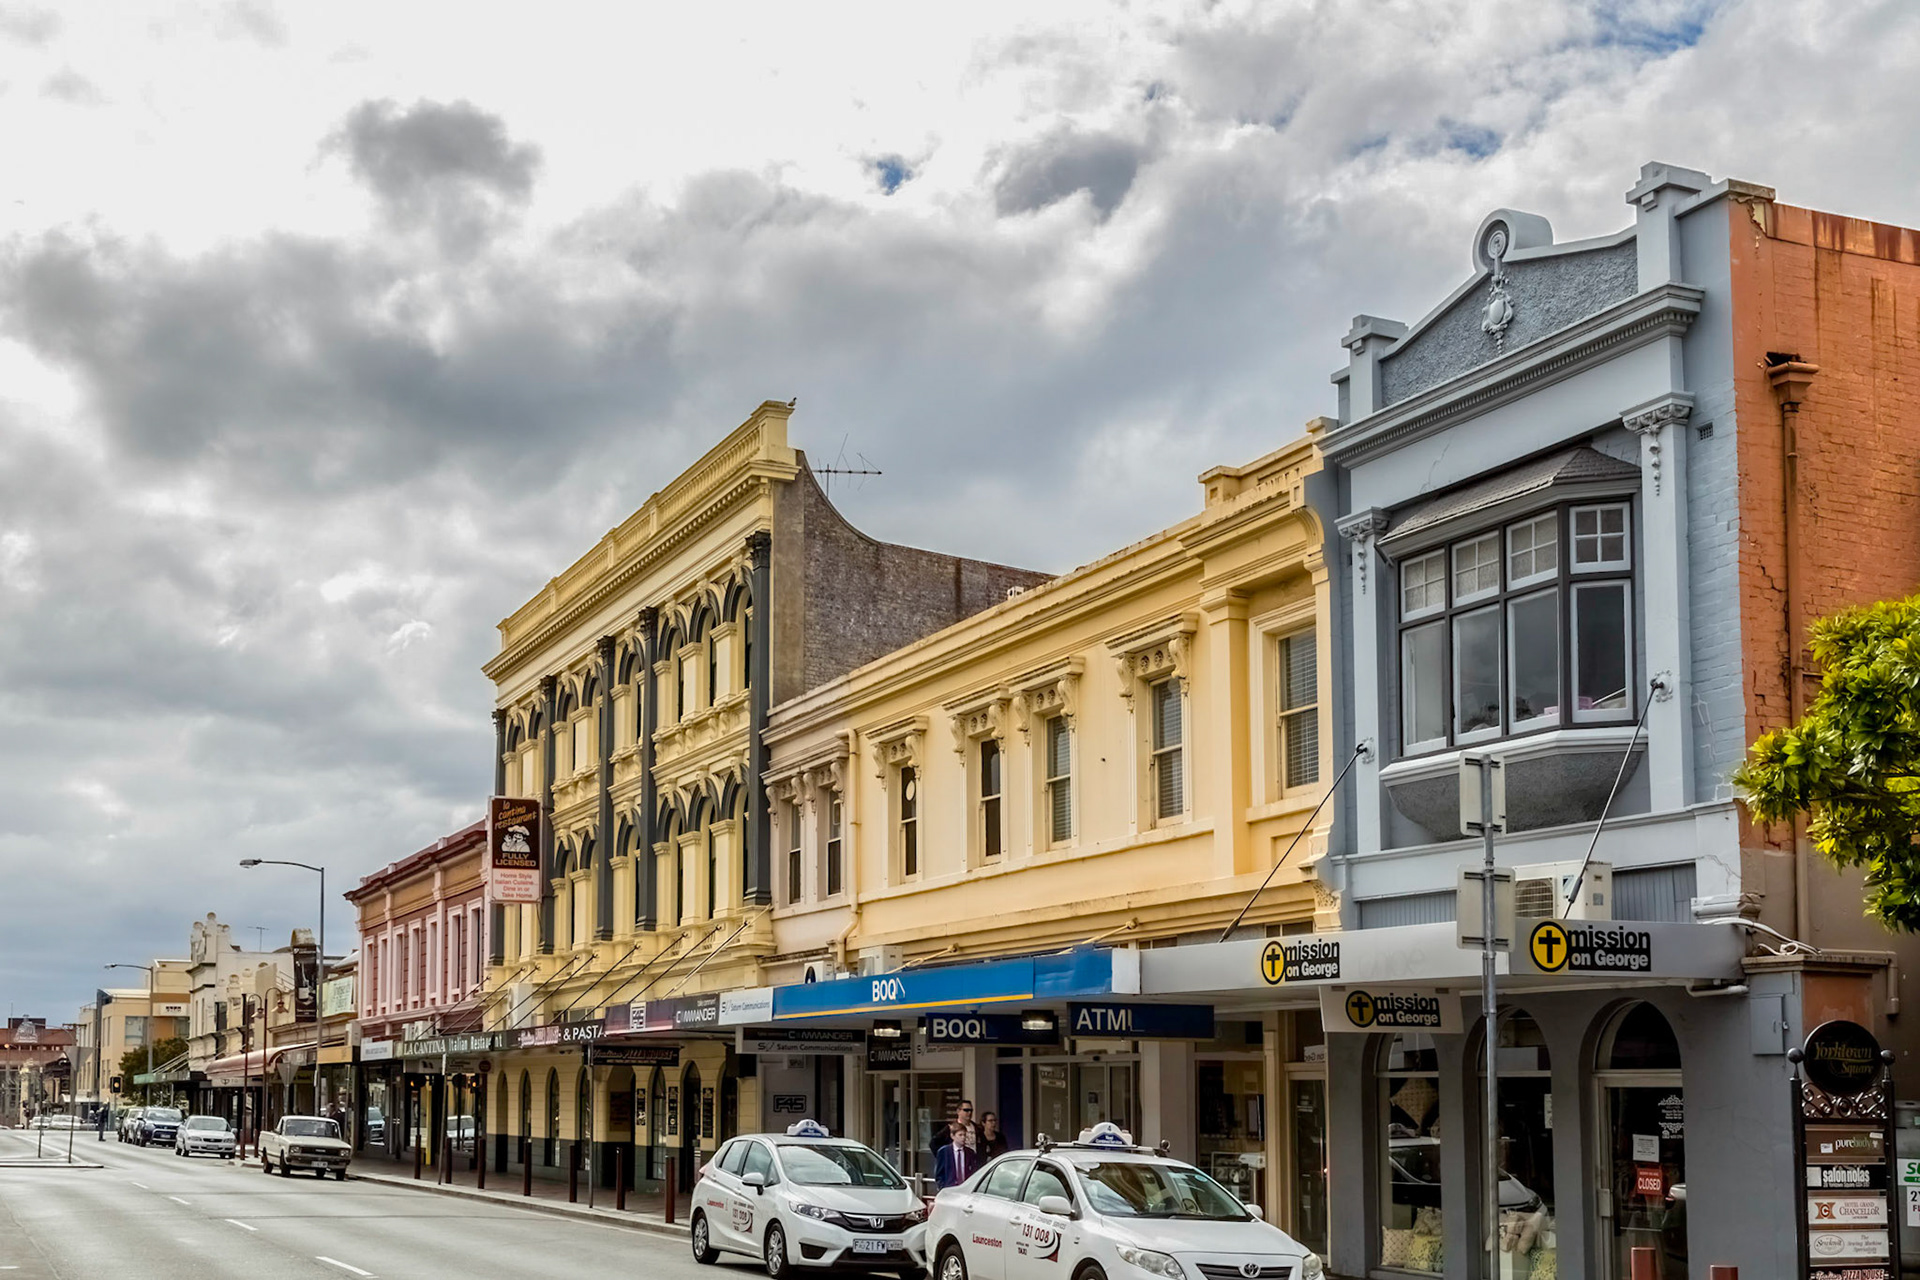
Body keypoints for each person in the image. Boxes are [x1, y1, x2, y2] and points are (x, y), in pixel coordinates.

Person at [933, 1100, 977, 1189]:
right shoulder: (944, 1151)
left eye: (971, 1110)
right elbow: (939, 1174)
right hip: (949, 1187)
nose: (969, 1113)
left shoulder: (970, 1151)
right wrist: (942, 1187)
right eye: (966, 1110)